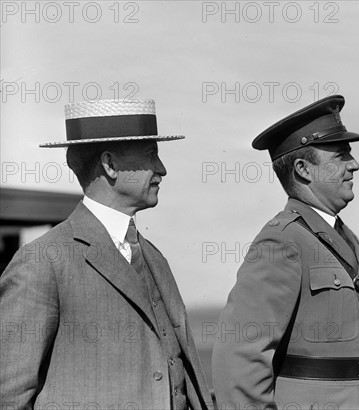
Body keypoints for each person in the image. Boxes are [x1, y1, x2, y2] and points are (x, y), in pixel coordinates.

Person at [0, 99, 214, 410]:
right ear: (110, 165)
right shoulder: (42, 262)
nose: (162, 169)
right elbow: (8, 396)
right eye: (151, 155)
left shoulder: (155, 258)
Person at [212, 95, 359, 409]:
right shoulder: (282, 241)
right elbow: (238, 360)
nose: (354, 164)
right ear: (304, 170)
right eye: (341, 156)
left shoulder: (344, 236)